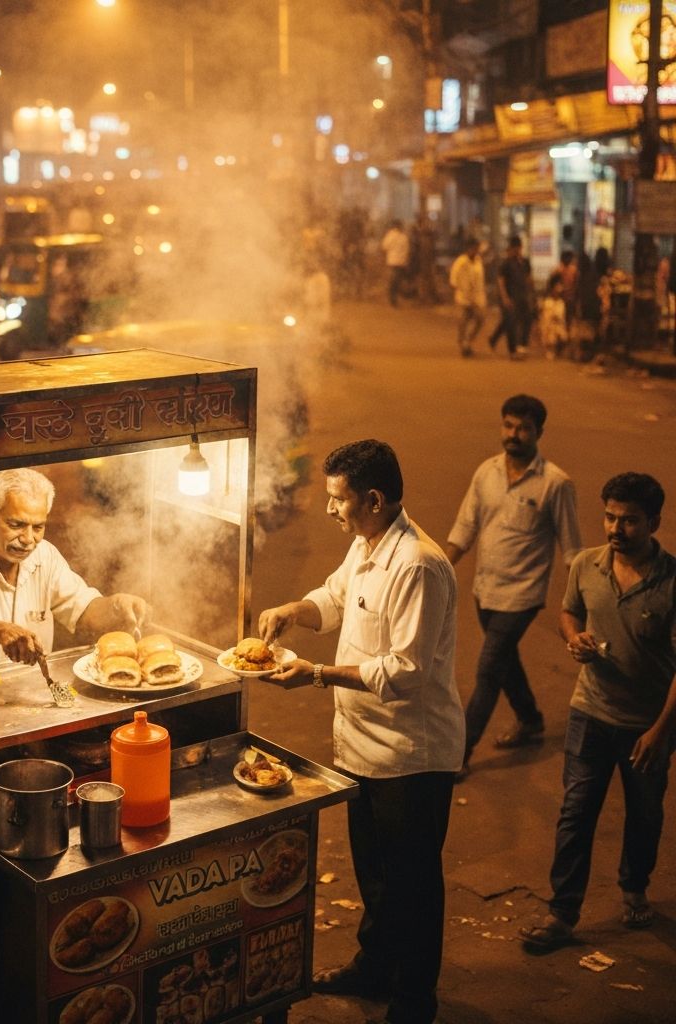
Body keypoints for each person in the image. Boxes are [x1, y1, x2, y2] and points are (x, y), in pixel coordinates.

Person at [259, 440, 464, 1024]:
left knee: (414, 885)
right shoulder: (365, 543)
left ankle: (414, 1000)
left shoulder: (418, 565)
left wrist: (316, 673)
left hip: (410, 756)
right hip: (360, 748)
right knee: (375, 874)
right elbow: (336, 596)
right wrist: (293, 609)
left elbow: (405, 672)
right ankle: (375, 967)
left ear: (373, 499)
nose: (330, 510)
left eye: (337, 499)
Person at [519, 473, 676, 949]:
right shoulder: (586, 565)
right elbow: (568, 612)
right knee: (575, 813)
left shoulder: (671, 581)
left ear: (653, 522)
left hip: (646, 725)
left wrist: (659, 732)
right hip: (589, 712)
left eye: (629, 520)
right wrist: (574, 639)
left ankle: (634, 887)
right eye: (610, 516)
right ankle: (562, 914)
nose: (615, 527)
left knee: (645, 814)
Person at [446, 395, 582, 780]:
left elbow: (573, 550)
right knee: (504, 661)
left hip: (522, 596)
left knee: (489, 667)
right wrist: (435, 567)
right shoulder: (486, 472)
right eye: (508, 426)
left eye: (523, 428)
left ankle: (460, 752)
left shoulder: (556, 483)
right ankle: (530, 720)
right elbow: (465, 528)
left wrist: (579, 604)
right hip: (484, 590)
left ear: (539, 432)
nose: (514, 435)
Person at [0, 468, 147, 675]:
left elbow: (83, 609)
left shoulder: (45, 555)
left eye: (38, 527)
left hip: (26, 695)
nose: (28, 539)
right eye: (16, 525)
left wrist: (115, 607)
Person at [495, 235, 535, 359]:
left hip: (523, 296)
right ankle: (512, 351)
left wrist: (531, 294)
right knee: (511, 324)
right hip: (511, 297)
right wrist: (505, 297)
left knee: (527, 320)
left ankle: (523, 345)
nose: (517, 251)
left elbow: (529, 279)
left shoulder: (524, 262)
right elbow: (501, 281)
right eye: (515, 248)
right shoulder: (506, 264)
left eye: (519, 248)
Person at [449, 236, 486, 357]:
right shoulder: (461, 261)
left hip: (476, 298)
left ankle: (468, 341)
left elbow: (480, 280)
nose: (475, 251)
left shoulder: (478, 261)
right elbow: (453, 280)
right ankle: (464, 345)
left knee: (480, 319)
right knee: (463, 321)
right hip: (463, 298)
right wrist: (460, 290)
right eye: (474, 248)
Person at [380, 219, 410, 308]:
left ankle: (393, 298)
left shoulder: (390, 235)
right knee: (397, 280)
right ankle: (394, 298)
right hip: (401, 262)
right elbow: (407, 250)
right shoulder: (404, 237)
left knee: (393, 280)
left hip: (392, 261)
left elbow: (384, 246)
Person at [539, 272, 568, 360]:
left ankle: (557, 349)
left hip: (559, 326)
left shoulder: (561, 302)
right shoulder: (547, 302)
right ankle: (550, 349)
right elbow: (545, 320)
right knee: (551, 335)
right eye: (557, 285)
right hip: (549, 328)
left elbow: (562, 318)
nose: (560, 288)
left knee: (564, 337)